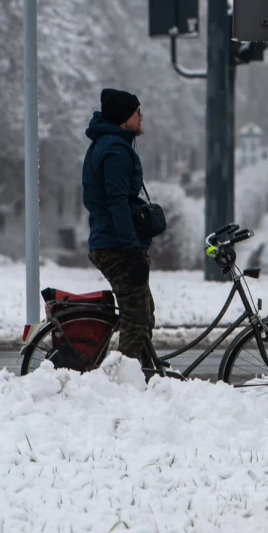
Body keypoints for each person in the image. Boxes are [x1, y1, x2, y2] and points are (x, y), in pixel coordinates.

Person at [82, 88, 157, 367]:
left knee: (144, 312)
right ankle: (124, 384)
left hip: (111, 240)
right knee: (136, 319)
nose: (141, 116)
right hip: (115, 245)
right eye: (137, 112)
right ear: (125, 118)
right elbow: (117, 203)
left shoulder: (110, 144)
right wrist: (132, 250)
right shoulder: (114, 150)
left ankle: (147, 372)